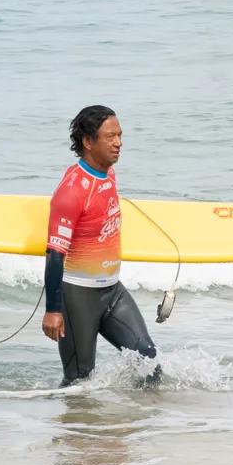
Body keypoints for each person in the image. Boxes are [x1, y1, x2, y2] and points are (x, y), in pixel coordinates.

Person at [41, 106, 161, 386]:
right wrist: (53, 310)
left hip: (112, 291)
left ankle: (144, 426)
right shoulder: (71, 191)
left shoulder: (108, 174)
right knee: (78, 383)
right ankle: (72, 429)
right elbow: (55, 254)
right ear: (88, 141)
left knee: (149, 363)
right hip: (77, 297)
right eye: (110, 137)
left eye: (120, 135)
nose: (118, 143)